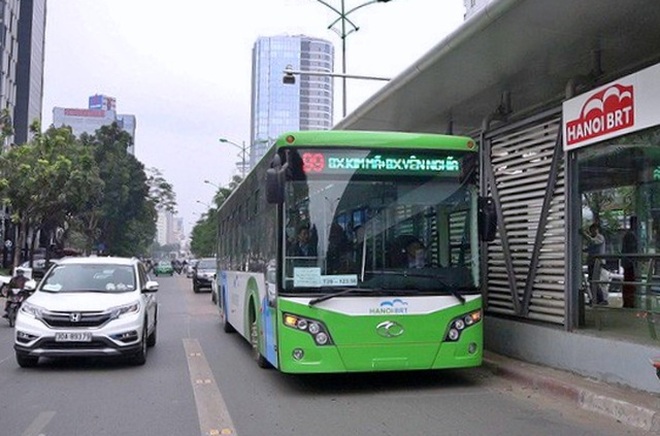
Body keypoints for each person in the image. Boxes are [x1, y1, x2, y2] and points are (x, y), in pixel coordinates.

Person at [580, 222, 607, 304]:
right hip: (591, 262)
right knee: (592, 281)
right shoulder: (594, 237)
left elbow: (594, 242)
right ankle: (595, 298)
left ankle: (601, 299)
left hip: (597, 262)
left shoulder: (600, 237)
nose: (592, 232)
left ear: (597, 229)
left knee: (595, 281)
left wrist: (584, 234)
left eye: (593, 230)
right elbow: (590, 248)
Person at [621, 216, 638, 308]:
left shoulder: (629, 234)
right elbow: (632, 250)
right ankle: (629, 302)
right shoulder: (632, 235)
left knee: (628, 282)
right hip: (630, 263)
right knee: (630, 283)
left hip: (628, 262)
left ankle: (628, 302)